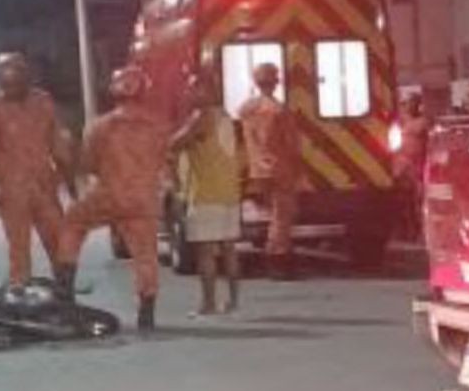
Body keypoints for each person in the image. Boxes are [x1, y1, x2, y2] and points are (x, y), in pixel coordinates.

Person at [57, 67, 168, 330]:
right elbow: (164, 159)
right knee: (145, 255)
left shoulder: (100, 126)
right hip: (143, 198)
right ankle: (147, 312)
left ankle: (64, 290)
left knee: (72, 223)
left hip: (109, 194)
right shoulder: (158, 126)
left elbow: (88, 163)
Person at [0, 53, 73, 290]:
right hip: (11, 190)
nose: (11, 89)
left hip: (43, 186)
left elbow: (58, 143)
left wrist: (70, 180)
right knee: (18, 247)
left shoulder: (43, 102)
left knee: (59, 242)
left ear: (27, 79)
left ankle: (65, 290)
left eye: (16, 83)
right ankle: (20, 291)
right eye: (6, 84)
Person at [171, 74, 243, 316]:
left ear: (206, 91)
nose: (188, 93)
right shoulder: (225, 116)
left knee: (205, 251)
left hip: (206, 193)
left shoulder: (201, 117)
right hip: (229, 192)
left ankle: (208, 304)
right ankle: (233, 302)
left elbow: (175, 143)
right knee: (229, 248)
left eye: (193, 88)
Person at [238, 63, 301, 280]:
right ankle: (277, 257)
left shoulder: (246, 109)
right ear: (276, 82)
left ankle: (275, 252)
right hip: (279, 167)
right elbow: (291, 143)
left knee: (269, 213)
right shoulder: (279, 111)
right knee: (281, 215)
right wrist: (297, 165)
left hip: (256, 168)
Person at [395, 92, 432, 242]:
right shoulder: (399, 121)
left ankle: (418, 232)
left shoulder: (424, 122)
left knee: (418, 201)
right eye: (408, 102)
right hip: (400, 165)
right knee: (403, 200)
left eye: (414, 102)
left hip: (417, 165)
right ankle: (405, 232)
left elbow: (428, 143)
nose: (410, 105)